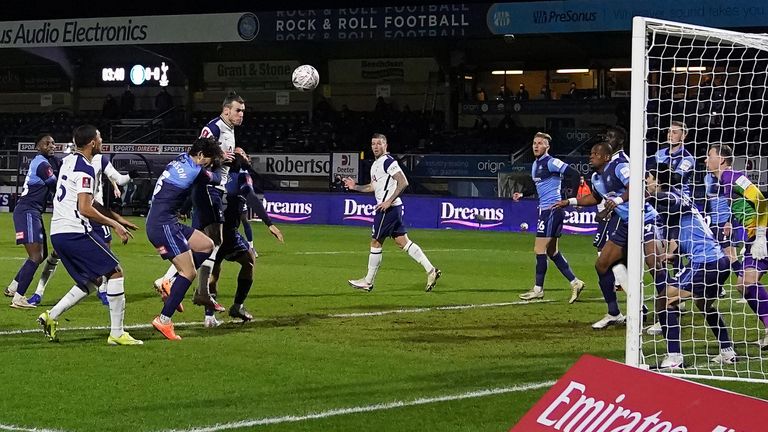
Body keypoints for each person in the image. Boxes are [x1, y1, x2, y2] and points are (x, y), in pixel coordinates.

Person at [37, 125, 141, 345]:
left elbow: (88, 201)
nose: (102, 140)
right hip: (75, 230)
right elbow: (85, 208)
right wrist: (114, 223)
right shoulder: (86, 168)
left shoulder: (67, 162)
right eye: (100, 137)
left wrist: (118, 220)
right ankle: (117, 333)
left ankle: (50, 316)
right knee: (115, 272)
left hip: (58, 232)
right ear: (93, 142)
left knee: (92, 280)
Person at [554, 142, 666, 329]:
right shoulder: (596, 177)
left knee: (654, 264)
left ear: (606, 157)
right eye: (591, 153)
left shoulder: (619, 167)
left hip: (646, 219)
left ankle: (667, 315)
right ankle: (614, 313)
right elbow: (596, 198)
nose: (591, 156)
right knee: (602, 264)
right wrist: (570, 201)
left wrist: (618, 200)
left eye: (595, 153)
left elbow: (636, 187)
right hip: (626, 224)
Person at [153, 92, 243, 312]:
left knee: (203, 243)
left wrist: (232, 154)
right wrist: (221, 158)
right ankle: (194, 289)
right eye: (238, 110)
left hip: (213, 188)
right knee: (215, 240)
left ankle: (172, 281)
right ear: (226, 110)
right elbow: (199, 153)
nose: (241, 115)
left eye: (243, 111)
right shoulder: (214, 127)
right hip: (207, 188)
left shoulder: (229, 130)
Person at [645, 168, 736, 368]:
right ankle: (728, 351)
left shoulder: (673, 196)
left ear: (658, 182)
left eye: (648, 180)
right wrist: (674, 254)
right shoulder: (682, 202)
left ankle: (674, 357)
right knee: (705, 305)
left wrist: (648, 194)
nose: (646, 183)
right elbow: (688, 233)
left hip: (705, 263)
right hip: (719, 261)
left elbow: (669, 199)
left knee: (663, 301)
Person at [146, 137, 224, 340]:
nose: (208, 163)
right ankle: (164, 320)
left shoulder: (179, 159)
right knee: (188, 273)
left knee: (206, 245)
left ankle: (169, 282)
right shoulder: (196, 170)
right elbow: (217, 180)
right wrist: (222, 162)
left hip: (168, 221)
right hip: (163, 225)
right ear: (199, 156)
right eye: (208, 159)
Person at [343, 133, 441, 292]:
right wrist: (355, 187)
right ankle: (431, 270)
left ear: (385, 145)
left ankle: (368, 281)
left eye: (379, 143)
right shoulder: (376, 165)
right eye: (373, 143)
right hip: (393, 208)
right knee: (403, 242)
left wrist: (388, 201)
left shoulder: (388, 161)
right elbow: (373, 187)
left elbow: (403, 182)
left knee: (376, 242)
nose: (375, 146)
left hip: (388, 208)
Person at [204, 149, 284, 327]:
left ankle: (209, 316)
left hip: (211, 228)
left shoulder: (217, 174)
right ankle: (237, 306)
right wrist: (269, 223)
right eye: (245, 154)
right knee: (249, 261)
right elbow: (251, 196)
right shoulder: (242, 174)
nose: (248, 157)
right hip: (229, 231)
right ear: (240, 159)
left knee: (214, 269)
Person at [707, 143, 768, 349]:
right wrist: (731, 222)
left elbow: (760, 200)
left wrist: (760, 236)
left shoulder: (733, 177)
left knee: (747, 283)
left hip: (764, 233)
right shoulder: (723, 182)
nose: (706, 160)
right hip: (754, 236)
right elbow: (744, 205)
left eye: (709, 156)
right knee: (743, 285)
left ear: (721, 160)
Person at [514, 132, 585, 302]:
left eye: (540, 143)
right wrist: (523, 194)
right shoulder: (535, 164)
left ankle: (538, 289)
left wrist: (570, 200)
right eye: (534, 143)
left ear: (547, 146)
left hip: (552, 210)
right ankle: (575, 282)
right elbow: (539, 187)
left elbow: (575, 174)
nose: (536, 146)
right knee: (552, 251)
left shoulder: (552, 162)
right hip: (546, 210)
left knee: (539, 249)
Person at [5, 134, 58, 308]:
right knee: (35, 256)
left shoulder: (44, 161)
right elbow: (55, 185)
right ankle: (19, 299)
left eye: (53, 143)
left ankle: (13, 287)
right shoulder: (42, 164)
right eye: (47, 143)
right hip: (27, 211)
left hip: (32, 211)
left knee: (41, 255)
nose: (51, 145)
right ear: (38, 147)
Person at [89, 153, 138, 305]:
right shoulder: (98, 159)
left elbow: (116, 178)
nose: (101, 142)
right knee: (106, 256)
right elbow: (121, 179)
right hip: (93, 211)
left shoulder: (70, 161)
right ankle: (102, 288)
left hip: (74, 214)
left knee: (103, 252)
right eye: (99, 139)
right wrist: (130, 175)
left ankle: (34, 291)